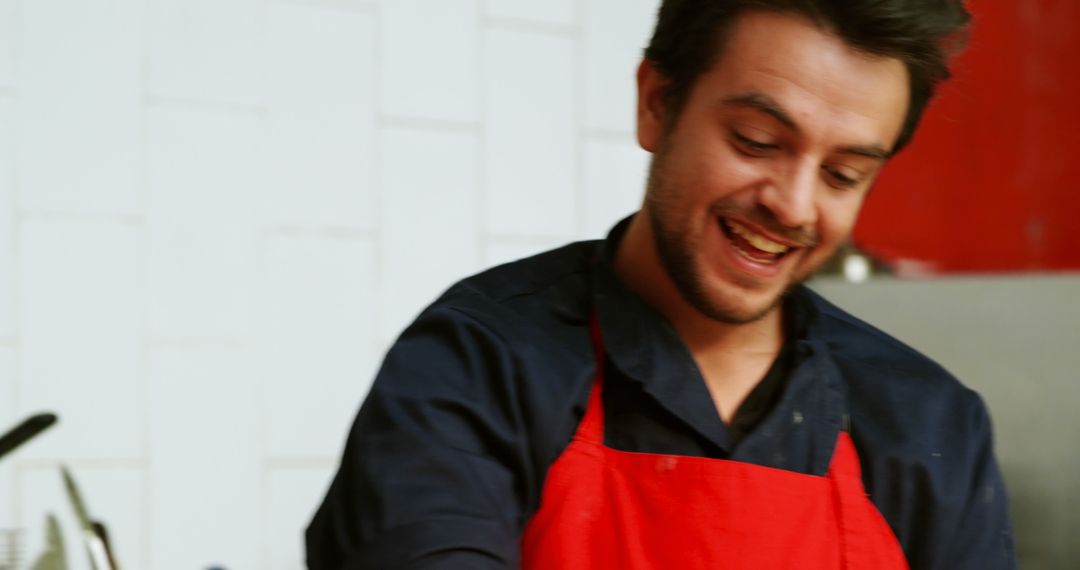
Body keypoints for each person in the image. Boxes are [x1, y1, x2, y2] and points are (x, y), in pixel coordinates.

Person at [306, 1, 1017, 568]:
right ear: (656, 102)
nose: (794, 206)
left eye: (843, 175)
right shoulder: (482, 365)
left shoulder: (929, 424)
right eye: (757, 140)